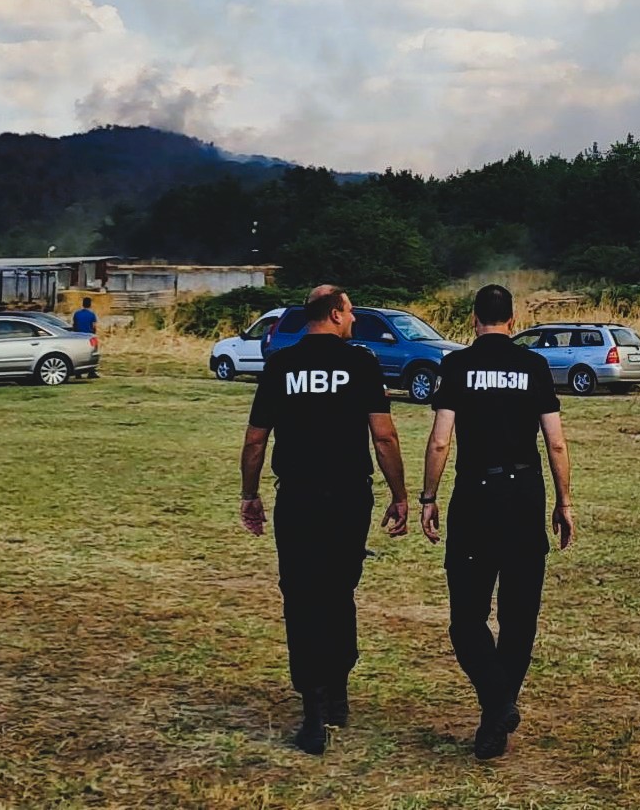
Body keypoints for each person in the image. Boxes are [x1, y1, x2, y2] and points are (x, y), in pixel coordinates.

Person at [239, 285, 409, 754]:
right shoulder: (361, 363)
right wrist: (400, 495)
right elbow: (385, 437)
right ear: (335, 314)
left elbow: (256, 441)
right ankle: (337, 690)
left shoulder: (281, 365)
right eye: (350, 311)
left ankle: (313, 709)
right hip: (349, 499)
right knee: (338, 591)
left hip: (298, 499)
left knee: (301, 596)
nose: (354, 318)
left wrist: (250, 495)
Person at [419, 283, 574, 760]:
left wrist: (429, 497)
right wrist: (564, 502)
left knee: (467, 617)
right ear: (513, 319)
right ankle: (498, 712)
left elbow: (441, 441)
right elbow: (556, 443)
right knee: (519, 615)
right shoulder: (534, 366)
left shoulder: (456, 365)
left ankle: (496, 706)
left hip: (475, 495)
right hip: (525, 493)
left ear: (474, 319)